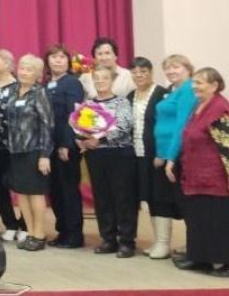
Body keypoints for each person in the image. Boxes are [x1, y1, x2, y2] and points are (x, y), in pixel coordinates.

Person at [172, 67, 229, 276]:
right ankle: (200, 258)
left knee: (216, 221)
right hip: (195, 175)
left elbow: (227, 146)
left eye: (199, 83)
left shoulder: (220, 108)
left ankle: (223, 262)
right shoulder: (199, 105)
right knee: (198, 219)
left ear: (214, 86)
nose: (194, 86)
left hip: (215, 177)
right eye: (194, 82)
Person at [79, 66, 136, 258]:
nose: (100, 81)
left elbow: (125, 125)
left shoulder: (122, 102)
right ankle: (108, 238)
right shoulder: (88, 104)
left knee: (123, 198)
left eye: (104, 78)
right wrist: (82, 139)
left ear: (112, 80)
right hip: (96, 155)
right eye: (97, 78)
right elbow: (81, 127)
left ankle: (126, 241)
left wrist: (99, 138)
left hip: (119, 154)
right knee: (102, 198)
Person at [4, 55, 53, 251]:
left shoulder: (39, 93)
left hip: (34, 150)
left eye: (29, 69)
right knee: (21, 193)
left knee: (35, 193)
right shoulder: (13, 91)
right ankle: (30, 232)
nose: (24, 72)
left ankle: (40, 235)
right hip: (15, 149)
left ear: (37, 74)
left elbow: (47, 125)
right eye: (22, 68)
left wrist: (44, 155)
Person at [126, 56, 170, 258]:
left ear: (151, 73)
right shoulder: (130, 96)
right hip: (137, 155)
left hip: (157, 156)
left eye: (143, 71)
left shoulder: (162, 94)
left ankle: (164, 243)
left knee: (160, 197)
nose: (139, 75)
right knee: (148, 196)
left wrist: (162, 153)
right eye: (135, 72)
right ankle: (157, 241)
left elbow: (166, 126)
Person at [43, 44, 85, 248]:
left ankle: (74, 235)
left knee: (68, 190)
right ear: (47, 61)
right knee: (55, 191)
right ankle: (62, 231)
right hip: (48, 145)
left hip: (65, 145)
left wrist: (67, 144)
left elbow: (74, 114)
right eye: (54, 57)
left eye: (62, 57)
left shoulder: (72, 83)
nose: (58, 60)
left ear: (68, 61)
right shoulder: (46, 84)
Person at [155, 54, 197, 250]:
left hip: (179, 155)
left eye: (176, 67)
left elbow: (182, 125)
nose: (171, 71)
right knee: (178, 201)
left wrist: (171, 158)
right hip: (168, 154)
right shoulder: (173, 90)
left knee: (187, 203)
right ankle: (192, 245)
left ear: (188, 69)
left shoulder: (188, 89)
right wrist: (161, 154)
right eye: (168, 68)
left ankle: (195, 246)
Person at [0, 48, 26, 240]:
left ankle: (25, 226)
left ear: (6, 63)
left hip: (18, 146)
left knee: (21, 185)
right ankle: (10, 224)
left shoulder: (20, 87)